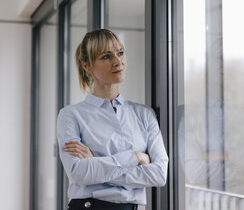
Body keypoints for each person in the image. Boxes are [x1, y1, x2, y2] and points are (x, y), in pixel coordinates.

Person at [57, 29, 169, 210]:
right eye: (106, 56)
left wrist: (96, 165)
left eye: (120, 53)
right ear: (87, 65)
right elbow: (79, 173)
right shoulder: (70, 115)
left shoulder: (144, 114)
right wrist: (135, 157)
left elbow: (159, 175)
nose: (118, 62)